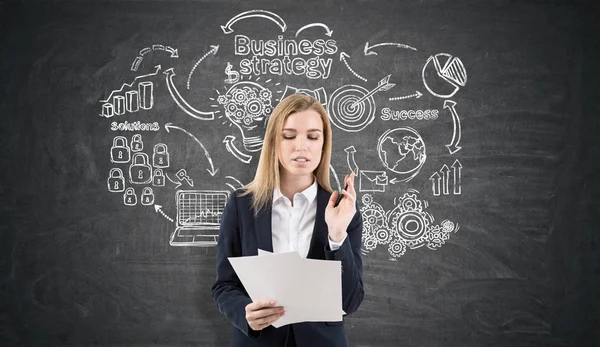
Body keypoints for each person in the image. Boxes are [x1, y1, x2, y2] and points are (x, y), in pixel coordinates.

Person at [212, 94, 364, 347]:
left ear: (323, 145)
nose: (301, 147)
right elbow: (224, 286)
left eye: (313, 137)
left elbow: (349, 302)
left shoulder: (343, 210)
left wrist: (337, 235)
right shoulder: (241, 205)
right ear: (274, 142)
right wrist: (245, 312)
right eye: (289, 136)